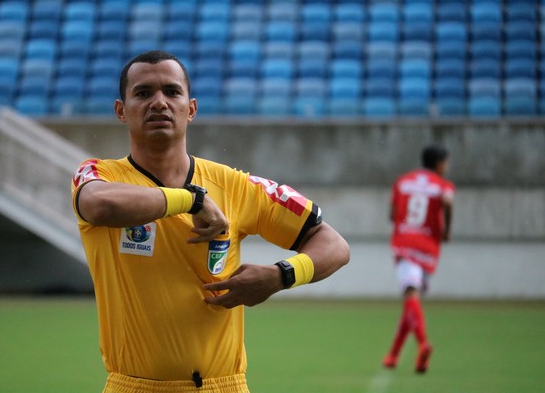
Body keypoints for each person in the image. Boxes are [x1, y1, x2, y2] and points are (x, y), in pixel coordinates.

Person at [70, 50, 350, 393]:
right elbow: (98, 205)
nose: (159, 102)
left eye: (172, 92)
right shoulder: (101, 175)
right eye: (143, 93)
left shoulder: (235, 185)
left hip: (224, 386)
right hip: (135, 386)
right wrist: (192, 200)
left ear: (191, 109)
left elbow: (334, 245)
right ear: (121, 111)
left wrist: (281, 275)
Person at [382, 144, 454, 374]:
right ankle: (394, 355)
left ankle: (422, 344)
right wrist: (446, 229)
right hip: (428, 247)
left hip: (405, 243)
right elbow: (449, 202)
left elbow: (392, 215)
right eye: (446, 162)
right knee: (412, 299)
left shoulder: (402, 181)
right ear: (439, 163)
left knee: (411, 297)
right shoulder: (443, 185)